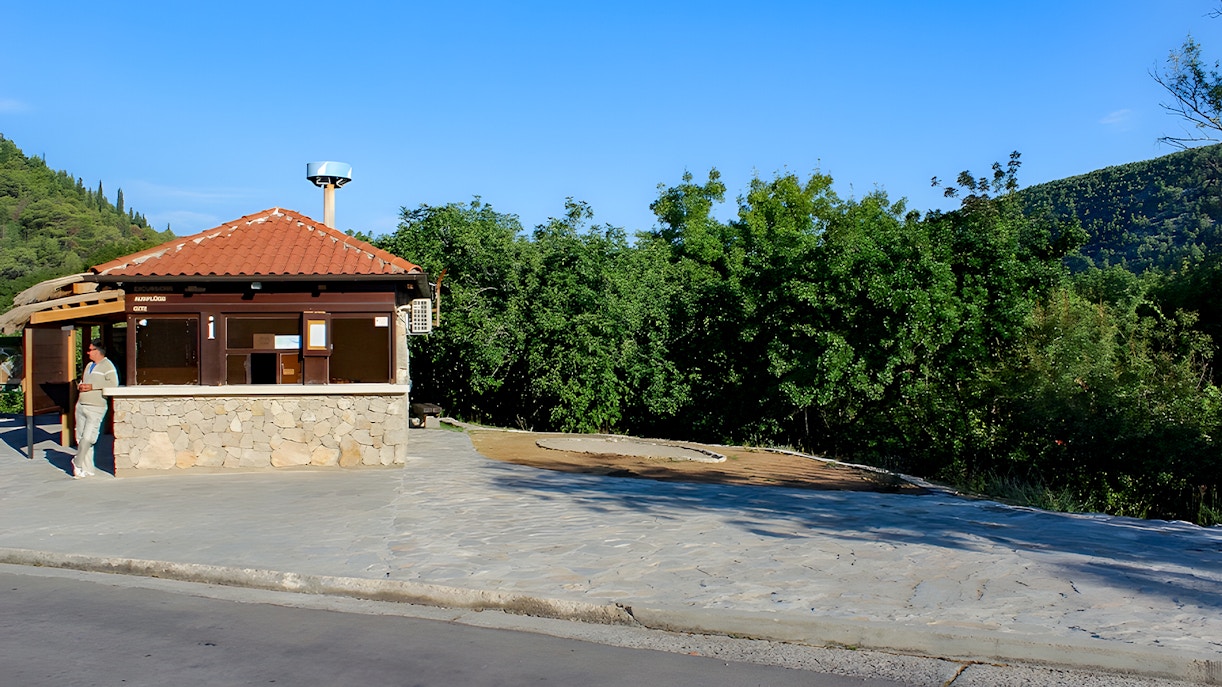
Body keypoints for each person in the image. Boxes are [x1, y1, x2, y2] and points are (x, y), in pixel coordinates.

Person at [74, 339, 119, 478]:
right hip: (81, 404)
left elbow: (113, 383)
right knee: (80, 437)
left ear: (98, 351)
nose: (88, 352)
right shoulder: (89, 366)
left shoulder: (108, 366)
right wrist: (81, 385)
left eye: (90, 350)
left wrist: (93, 387)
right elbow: (84, 381)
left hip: (96, 406)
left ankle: (77, 462)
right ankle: (87, 468)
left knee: (89, 437)